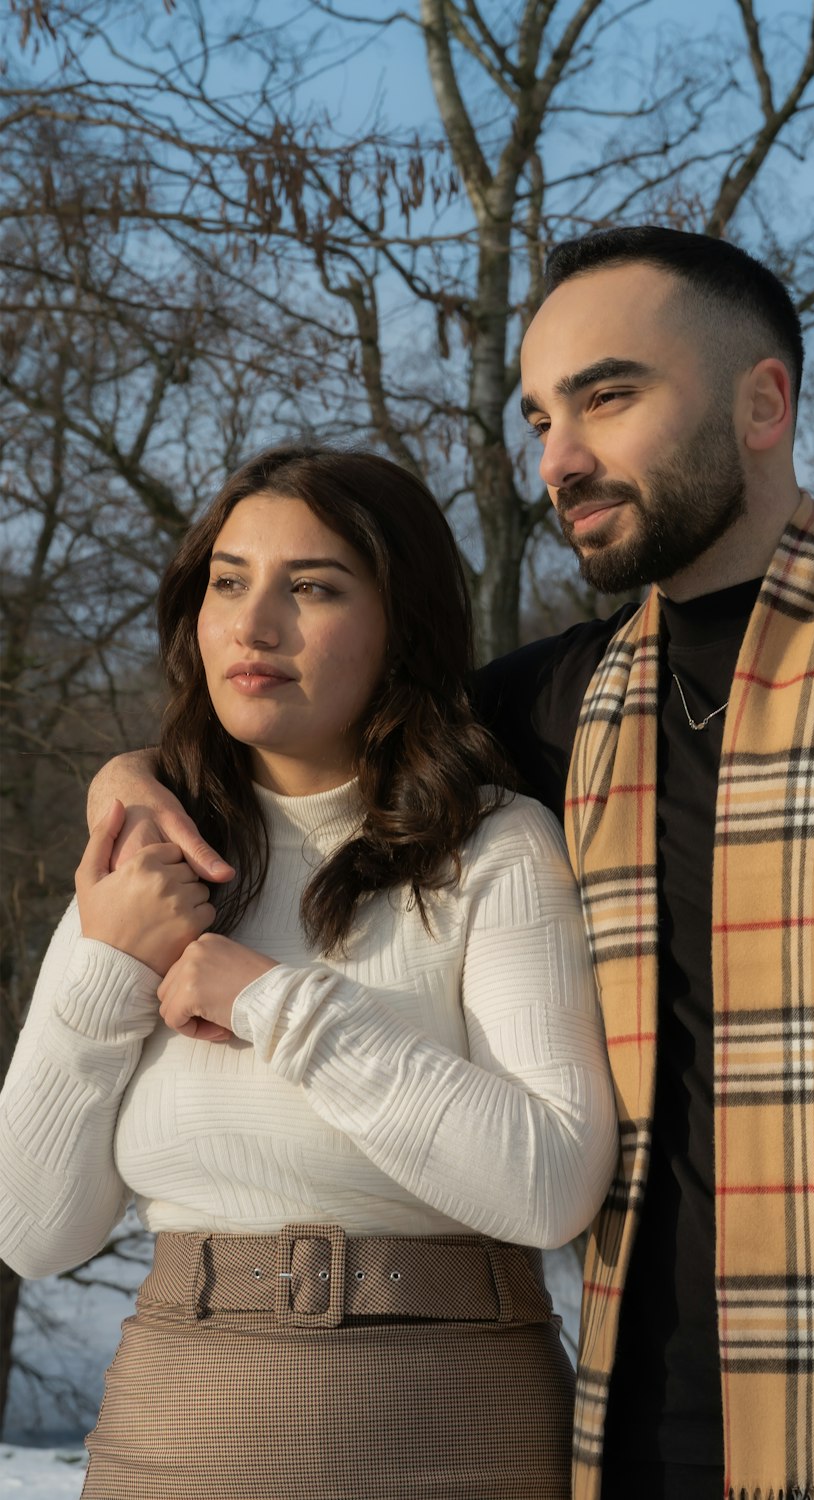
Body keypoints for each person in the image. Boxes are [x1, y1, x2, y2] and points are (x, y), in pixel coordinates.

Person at [83, 229, 814, 1500]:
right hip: (617, 1441)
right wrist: (132, 778)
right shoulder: (555, 709)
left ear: (763, 402)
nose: (558, 459)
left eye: (608, 397)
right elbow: (307, 732)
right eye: (539, 416)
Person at [0, 445, 619, 1500]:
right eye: (228, 582)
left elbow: (551, 1183)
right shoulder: (147, 858)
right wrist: (106, 965)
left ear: (402, 623)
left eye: (315, 587)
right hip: (177, 1439)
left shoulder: (494, 848)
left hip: (460, 1436)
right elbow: (32, 1228)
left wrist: (267, 1003)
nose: (255, 624)